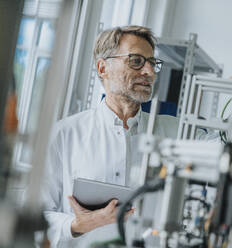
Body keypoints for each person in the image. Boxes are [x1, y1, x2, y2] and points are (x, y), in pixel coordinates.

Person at [43, 25, 181, 247]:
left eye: (153, 63)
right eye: (136, 61)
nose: (150, 72)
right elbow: (39, 216)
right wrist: (78, 225)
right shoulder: (65, 133)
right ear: (102, 68)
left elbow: (225, 145)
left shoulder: (175, 133)